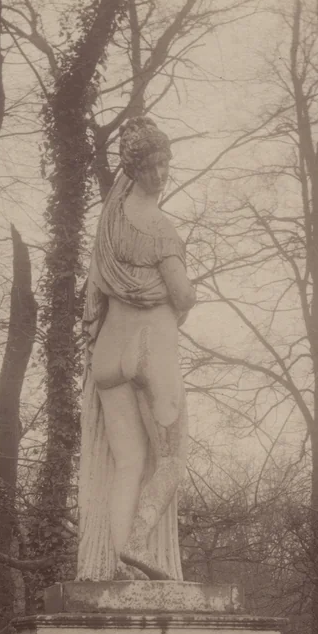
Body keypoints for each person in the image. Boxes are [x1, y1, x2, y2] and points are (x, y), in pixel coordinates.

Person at [76, 117, 195, 581]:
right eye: (156, 165)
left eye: (166, 164)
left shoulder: (109, 226)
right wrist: (188, 297)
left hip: (108, 355)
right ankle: (137, 543)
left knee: (128, 463)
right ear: (139, 168)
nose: (162, 174)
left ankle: (119, 563)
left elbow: (96, 299)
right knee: (169, 460)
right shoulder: (161, 230)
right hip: (151, 351)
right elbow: (181, 295)